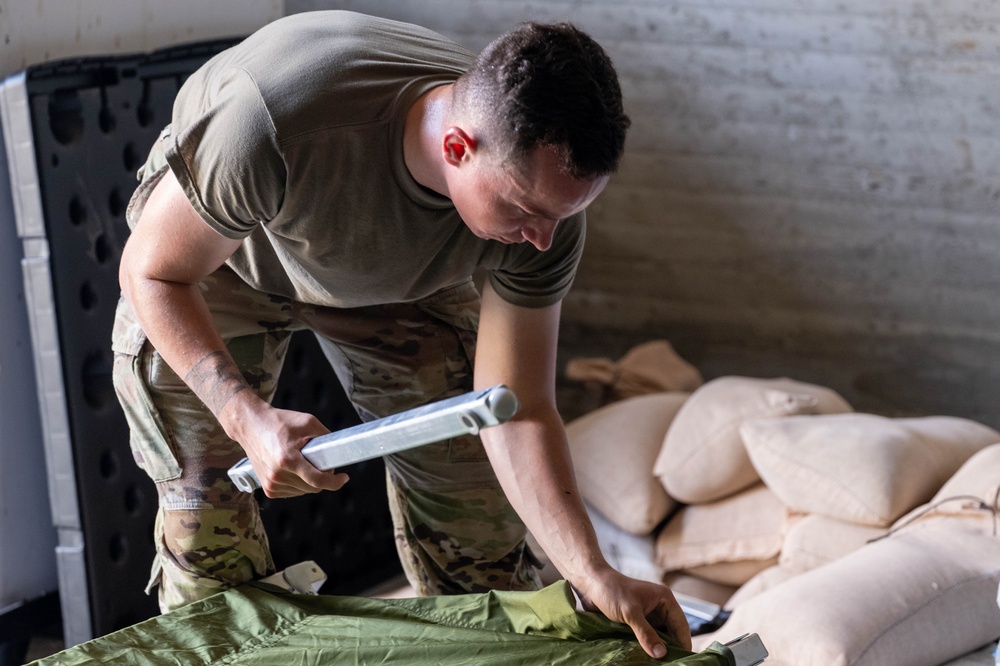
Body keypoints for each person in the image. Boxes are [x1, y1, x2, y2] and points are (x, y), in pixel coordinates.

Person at [112, 10, 691, 658]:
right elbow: (151, 273)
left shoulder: (539, 217)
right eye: (527, 211)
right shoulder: (270, 124)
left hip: (395, 277)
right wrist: (244, 416)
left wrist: (593, 574)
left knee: (477, 533)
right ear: (456, 147)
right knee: (206, 520)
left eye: (564, 214)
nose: (543, 238)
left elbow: (518, 408)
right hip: (218, 264)